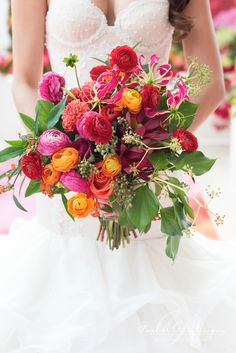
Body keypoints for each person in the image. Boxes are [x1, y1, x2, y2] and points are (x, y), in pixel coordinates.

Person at [0, 0, 235, 352]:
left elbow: (211, 82)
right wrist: (66, 148)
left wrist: (152, 147)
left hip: (146, 182)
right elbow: (26, 81)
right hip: (71, 189)